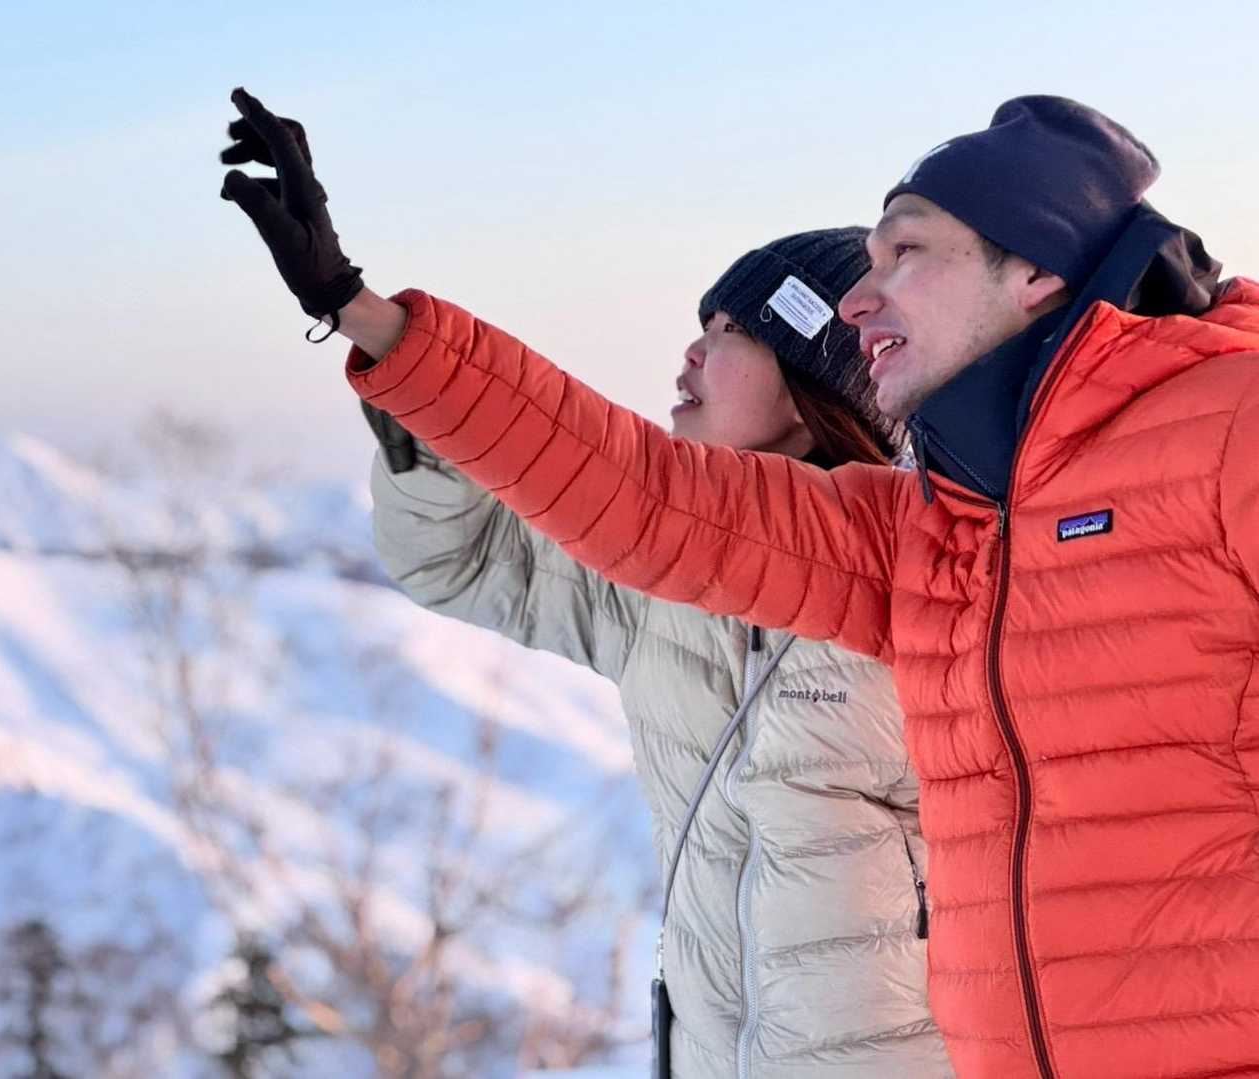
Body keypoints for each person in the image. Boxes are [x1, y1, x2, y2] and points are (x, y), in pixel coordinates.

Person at [220, 90, 1259, 1077]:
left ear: (1030, 268)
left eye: (905, 251)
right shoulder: (939, 538)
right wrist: (362, 313)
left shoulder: (1228, 423)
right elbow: (636, 492)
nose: (860, 298)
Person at [359, 227, 953, 1076]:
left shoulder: (932, 573)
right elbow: (463, 561)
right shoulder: (655, 584)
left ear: (812, 387)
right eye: (701, 327)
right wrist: (423, 434)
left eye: (730, 331)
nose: (690, 353)